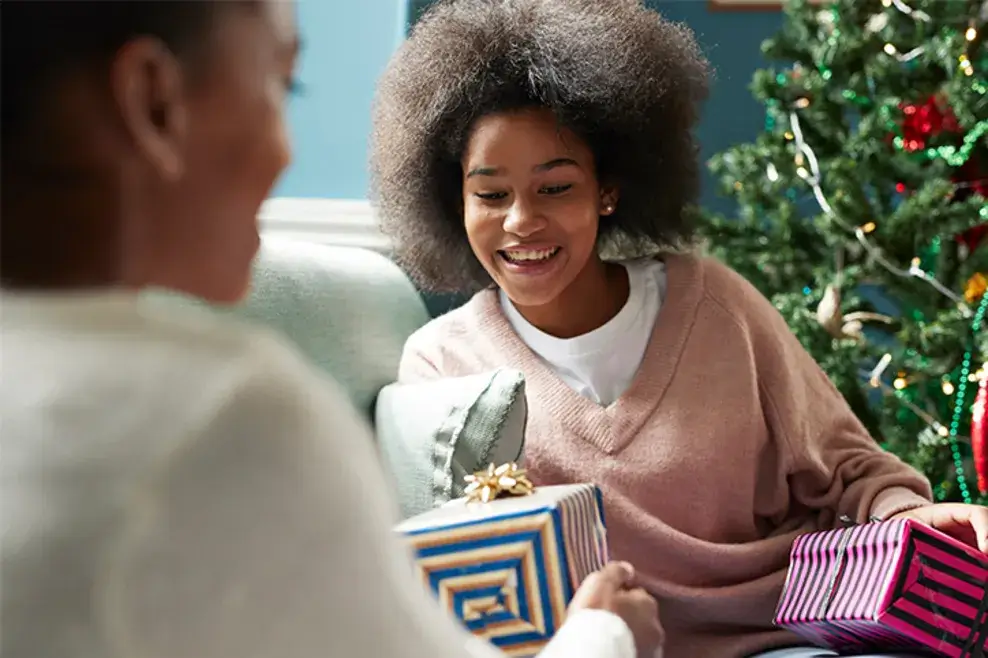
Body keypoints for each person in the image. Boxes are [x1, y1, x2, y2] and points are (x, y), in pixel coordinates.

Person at [0, 2, 663, 658]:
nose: (287, 151)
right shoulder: (225, 415)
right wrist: (606, 633)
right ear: (153, 101)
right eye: (282, 84)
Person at [368, 1, 988, 657]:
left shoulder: (712, 303)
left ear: (608, 190)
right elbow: (459, 578)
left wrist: (910, 514)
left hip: (782, 640)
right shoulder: (441, 366)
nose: (521, 221)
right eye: (491, 195)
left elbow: (850, 471)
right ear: (453, 200)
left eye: (555, 188)